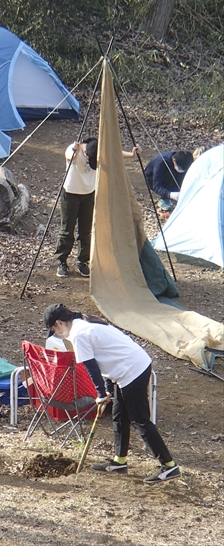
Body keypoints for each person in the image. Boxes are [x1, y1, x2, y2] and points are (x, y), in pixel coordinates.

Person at [43, 303, 181, 484]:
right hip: (130, 368)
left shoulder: (78, 334)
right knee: (119, 416)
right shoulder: (85, 322)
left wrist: (100, 394)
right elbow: (104, 359)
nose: (57, 334)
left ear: (59, 323)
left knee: (140, 420)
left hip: (132, 370)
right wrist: (107, 388)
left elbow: (91, 366)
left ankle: (169, 466)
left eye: (54, 330)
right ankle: (119, 461)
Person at [54, 137, 139, 278]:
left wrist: (132, 154)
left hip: (89, 194)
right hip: (70, 194)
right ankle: (61, 261)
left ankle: (82, 261)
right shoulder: (73, 150)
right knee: (67, 230)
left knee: (86, 230)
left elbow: (114, 153)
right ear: (86, 154)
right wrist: (75, 151)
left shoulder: (98, 150)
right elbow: (70, 156)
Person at [144, 150, 193, 216]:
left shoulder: (185, 159)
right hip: (153, 179)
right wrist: (170, 194)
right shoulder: (160, 163)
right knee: (169, 175)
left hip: (174, 175)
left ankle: (177, 196)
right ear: (174, 160)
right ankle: (165, 199)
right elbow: (156, 186)